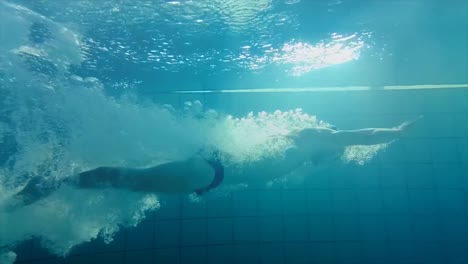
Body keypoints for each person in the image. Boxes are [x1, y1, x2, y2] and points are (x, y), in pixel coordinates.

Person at [8, 115, 422, 209]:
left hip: (206, 171)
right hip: (205, 173)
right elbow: (362, 136)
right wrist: (397, 134)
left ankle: (48, 183)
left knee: (125, 178)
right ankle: (46, 186)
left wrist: (393, 136)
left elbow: (357, 139)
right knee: (125, 179)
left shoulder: (303, 150)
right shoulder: (312, 142)